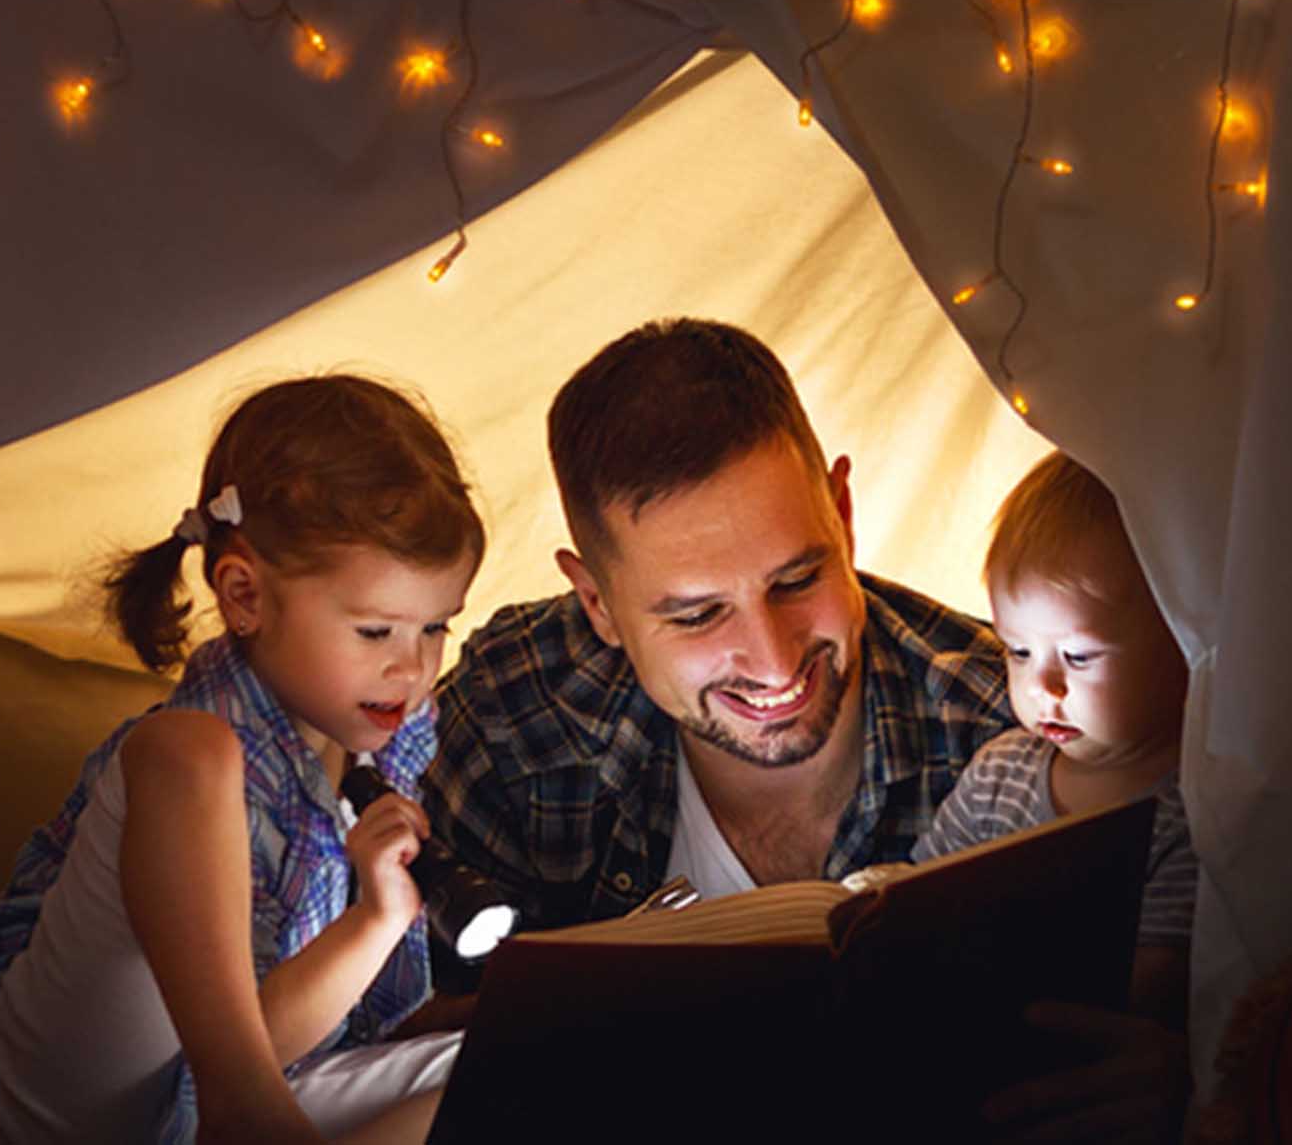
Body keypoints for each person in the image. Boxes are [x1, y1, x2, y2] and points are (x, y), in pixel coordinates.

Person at [0, 376, 484, 1145]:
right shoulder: (206, 741)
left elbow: (283, 1035)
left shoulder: (386, 734)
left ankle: (252, 1111)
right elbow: (228, 1053)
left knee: (514, 1073)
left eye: (436, 629)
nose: (412, 666)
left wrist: (380, 918)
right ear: (244, 596)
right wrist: (244, 1094)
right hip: (73, 1092)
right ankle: (249, 1115)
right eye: (376, 632)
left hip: (232, 1088)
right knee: (187, 752)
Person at [422, 318, 1013, 930]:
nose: (774, 660)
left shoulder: (1005, 725)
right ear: (598, 604)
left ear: (841, 515)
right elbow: (389, 1010)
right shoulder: (510, 715)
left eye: (797, 581)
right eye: (699, 616)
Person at [912, 451, 1198, 1031]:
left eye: (1079, 656)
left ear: (1182, 640)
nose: (1044, 685)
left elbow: (1149, 990)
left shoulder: (1190, 809)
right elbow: (915, 900)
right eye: (1017, 651)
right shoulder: (998, 775)